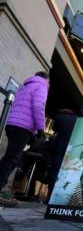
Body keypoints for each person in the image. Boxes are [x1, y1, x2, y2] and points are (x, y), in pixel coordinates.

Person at [0, 71, 49, 206]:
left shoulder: (25, 86)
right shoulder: (42, 86)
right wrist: (40, 129)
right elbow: (38, 107)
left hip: (12, 125)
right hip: (23, 127)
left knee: (10, 157)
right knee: (12, 158)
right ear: (46, 79)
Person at [47, 109, 77, 200]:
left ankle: (50, 195)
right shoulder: (76, 119)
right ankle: (62, 195)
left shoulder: (59, 117)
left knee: (55, 170)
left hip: (59, 146)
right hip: (70, 147)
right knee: (66, 171)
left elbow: (54, 129)